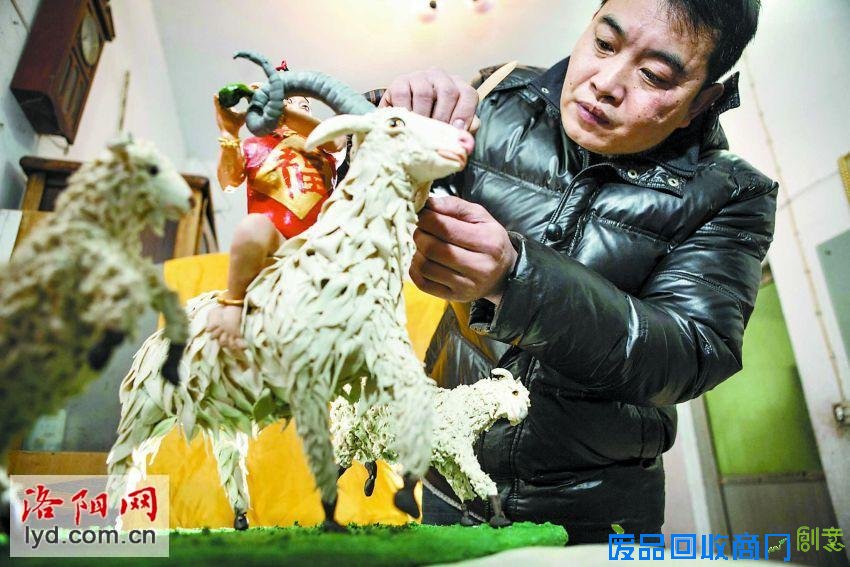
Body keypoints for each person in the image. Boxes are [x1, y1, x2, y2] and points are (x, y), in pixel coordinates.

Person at [380, 0, 776, 542]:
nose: (605, 83)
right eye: (604, 44)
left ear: (702, 100)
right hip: (451, 481)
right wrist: (396, 123)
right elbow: (377, 190)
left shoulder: (730, 194)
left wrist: (515, 278)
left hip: (597, 507)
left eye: (654, 76)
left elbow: (690, 353)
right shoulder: (499, 99)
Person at [208, 86, 343, 349]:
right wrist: (229, 133)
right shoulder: (253, 145)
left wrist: (280, 108)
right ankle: (235, 303)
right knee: (252, 229)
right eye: (289, 103)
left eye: (304, 106)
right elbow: (228, 181)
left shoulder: (324, 149)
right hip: (274, 245)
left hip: (318, 248)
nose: (297, 110)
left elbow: (336, 140)